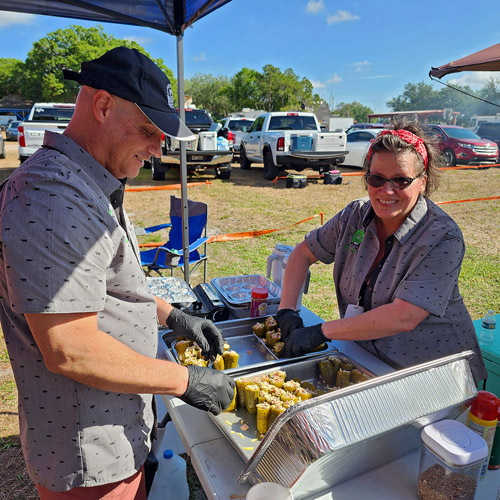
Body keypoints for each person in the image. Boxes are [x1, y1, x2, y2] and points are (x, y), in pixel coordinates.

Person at [0, 47, 235, 499]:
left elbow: (102, 288)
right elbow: (70, 349)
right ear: (103, 105)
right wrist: (185, 381)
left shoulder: (90, 178)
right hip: (86, 446)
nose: (158, 148)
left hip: (113, 427)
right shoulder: (51, 194)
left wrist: (170, 316)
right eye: (149, 130)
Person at [277, 121, 487, 385]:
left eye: (400, 180)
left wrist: (321, 331)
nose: (387, 191)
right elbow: (303, 253)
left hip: (437, 375)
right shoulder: (353, 216)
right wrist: (287, 311)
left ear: (422, 182)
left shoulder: (443, 236)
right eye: (376, 179)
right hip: (371, 361)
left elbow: (405, 315)